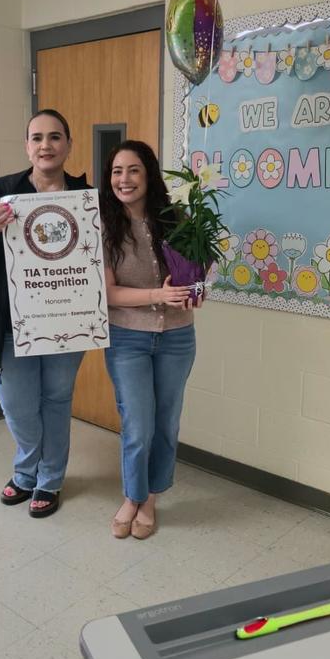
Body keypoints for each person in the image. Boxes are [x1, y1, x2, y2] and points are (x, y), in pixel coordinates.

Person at [0, 110, 88, 518]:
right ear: (27, 146)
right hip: (10, 325)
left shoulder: (85, 198)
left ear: (68, 144)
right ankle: (27, 470)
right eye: (37, 138)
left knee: (57, 401)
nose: (46, 145)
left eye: (55, 137)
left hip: (66, 322)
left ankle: (48, 479)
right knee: (19, 407)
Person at [101, 141, 199, 540]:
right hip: (127, 338)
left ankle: (152, 499)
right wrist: (157, 296)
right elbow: (108, 294)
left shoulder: (179, 219)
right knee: (137, 424)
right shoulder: (104, 226)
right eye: (116, 172)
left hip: (177, 337)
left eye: (133, 170)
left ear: (149, 174)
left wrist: (195, 291)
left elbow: (193, 275)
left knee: (165, 423)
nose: (124, 179)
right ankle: (131, 496)